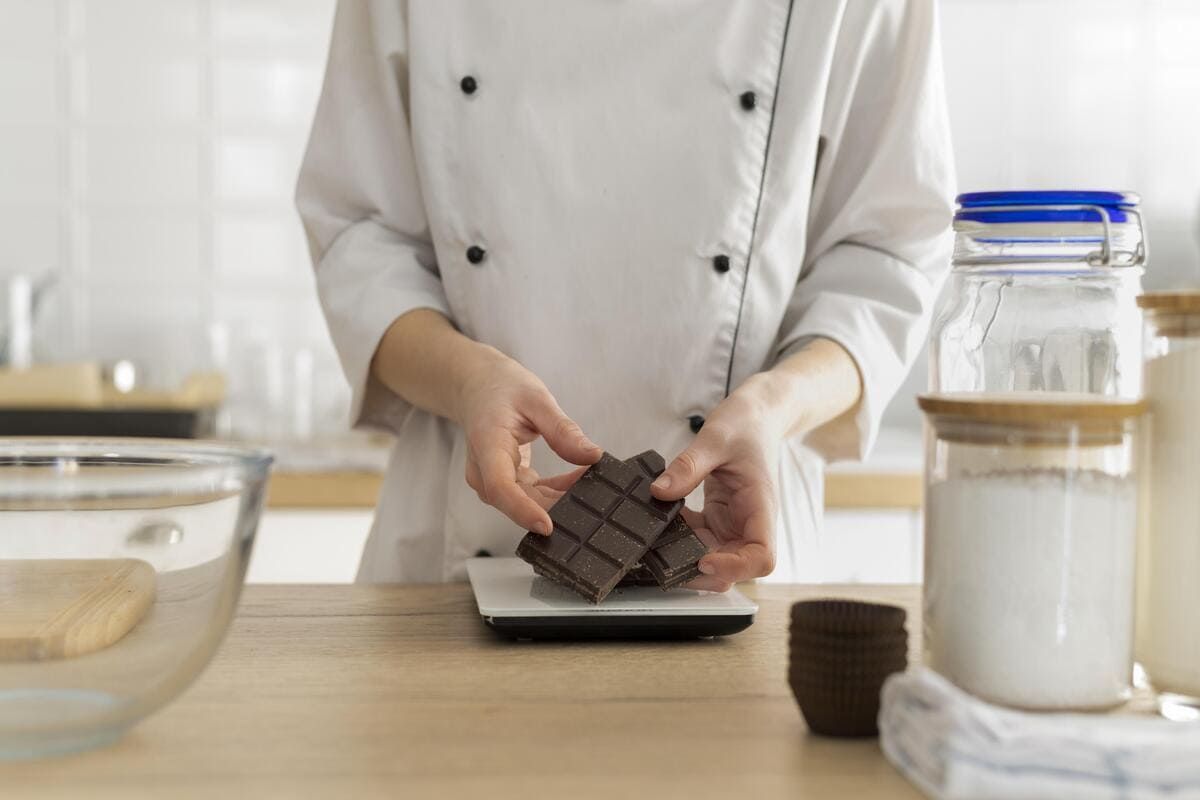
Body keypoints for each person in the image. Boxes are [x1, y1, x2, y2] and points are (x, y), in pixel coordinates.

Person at [296, 0, 955, 588]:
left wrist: (775, 406)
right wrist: (467, 379)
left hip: (732, 541)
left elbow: (886, 261)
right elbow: (360, 241)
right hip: (455, 554)